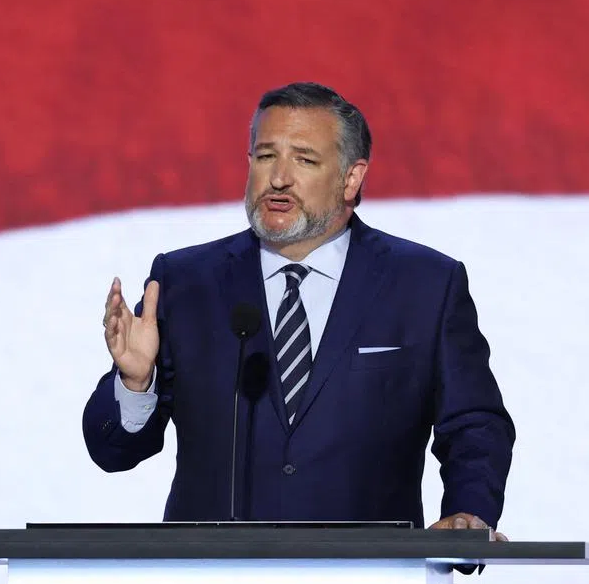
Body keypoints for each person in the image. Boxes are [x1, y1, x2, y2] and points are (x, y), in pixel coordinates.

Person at [82, 82, 515, 539]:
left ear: (352, 177)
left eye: (304, 160)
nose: (279, 178)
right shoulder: (185, 283)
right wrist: (135, 383)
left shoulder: (424, 285)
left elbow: (474, 424)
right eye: (266, 156)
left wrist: (468, 511)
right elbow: (112, 451)